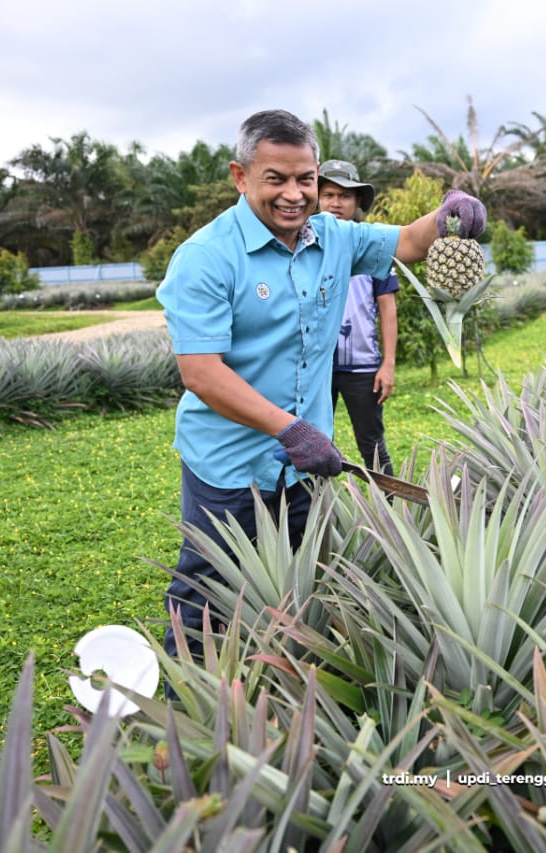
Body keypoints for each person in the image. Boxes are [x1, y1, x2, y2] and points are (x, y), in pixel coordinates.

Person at [157, 109, 485, 662]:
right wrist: (288, 428)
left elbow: (408, 241)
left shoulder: (334, 237)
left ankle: (278, 688)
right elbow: (202, 373)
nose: (294, 194)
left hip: (306, 464)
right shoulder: (206, 257)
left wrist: (448, 212)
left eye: (304, 179)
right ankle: (181, 710)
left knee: (298, 586)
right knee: (205, 596)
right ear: (241, 177)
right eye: (275, 179)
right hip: (230, 466)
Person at [318, 159, 398, 475]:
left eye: (346, 196)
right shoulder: (300, 243)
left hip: (363, 366)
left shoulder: (373, 248)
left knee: (373, 446)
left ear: (357, 202)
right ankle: (312, 517)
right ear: (315, 198)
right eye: (329, 194)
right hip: (315, 367)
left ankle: (390, 515)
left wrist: (388, 364)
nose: (336, 203)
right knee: (313, 445)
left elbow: (388, 308)